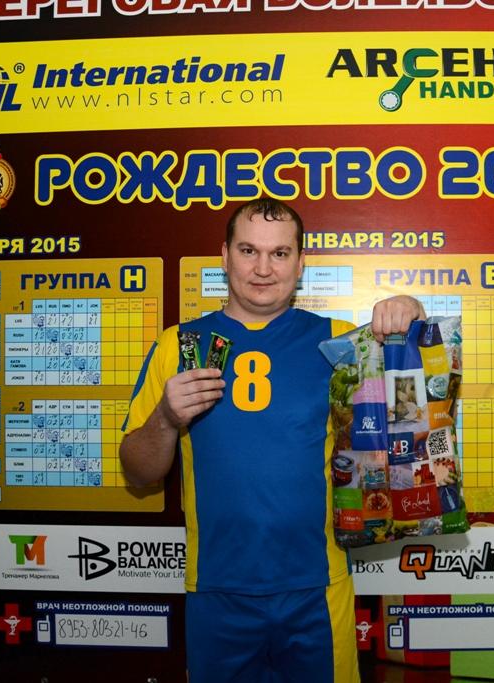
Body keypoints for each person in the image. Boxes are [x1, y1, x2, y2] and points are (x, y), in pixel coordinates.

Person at [120, 198, 424, 683]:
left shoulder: (341, 344)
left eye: (280, 253)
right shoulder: (176, 346)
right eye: (248, 251)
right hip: (217, 590)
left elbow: (412, 414)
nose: (263, 269)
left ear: (301, 263)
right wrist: (165, 418)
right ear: (224, 257)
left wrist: (410, 315)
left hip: (316, 587)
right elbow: (138, 473)